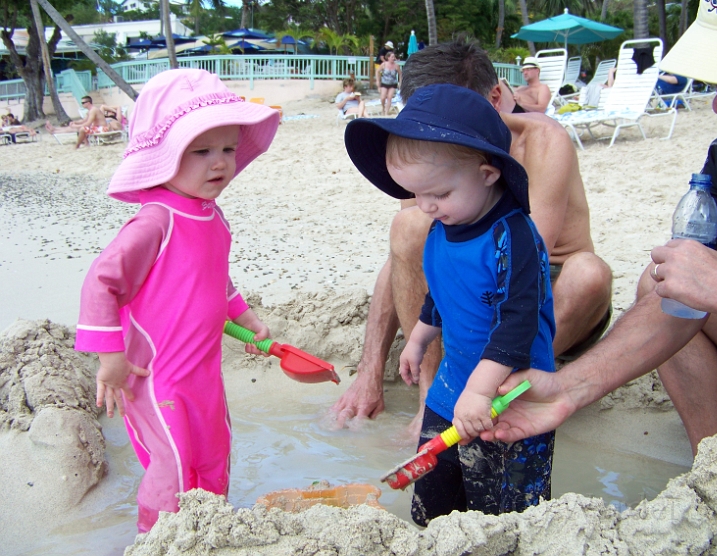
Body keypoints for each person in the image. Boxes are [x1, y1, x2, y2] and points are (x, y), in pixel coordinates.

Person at [480, 0, 717, 456]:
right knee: (667, 282)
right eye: (715, 78)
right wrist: (567, 387)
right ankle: (714, 468)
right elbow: (688, 291)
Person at [331, 38, 612, 429]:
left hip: (542, 287)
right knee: (409, 227)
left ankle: (502, 384)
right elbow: (408, 256)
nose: (433, 131)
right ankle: (431, 395)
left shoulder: (543, 140)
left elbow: (526, 263)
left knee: (589, 273)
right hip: (467, 286)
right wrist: (369, 371)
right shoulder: (424, 148)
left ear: (494, 99)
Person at [73, 69, 280, 532]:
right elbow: (101, 283)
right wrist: (111, 360)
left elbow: (215, 280)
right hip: (155, 376)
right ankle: (157, 538)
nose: (219, 163)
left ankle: (209, 529)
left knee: (213, 453)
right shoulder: (155, 221)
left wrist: (247, 318)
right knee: (172, 466)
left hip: (203, 373)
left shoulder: (213, 216)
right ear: (163, 155)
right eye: (201, 151)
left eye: (228, 149)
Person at [345, 83, 556, 525]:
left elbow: (519, 322)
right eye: (415, 194)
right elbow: (442, 290)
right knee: (434, 498)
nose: (426, 206)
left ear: (488, 174)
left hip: (508, 394)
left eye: (438, 194)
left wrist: (480, 392)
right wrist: (419, 339)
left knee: (505, 515)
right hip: (451, 384)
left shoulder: (511, 236)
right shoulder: (444, 223)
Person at [45, 96, 109, 149]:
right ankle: (55, 130)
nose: (82, 104)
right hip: (96, 128)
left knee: (81, 128)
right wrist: (75, 122)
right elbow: (84, 120)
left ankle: (77, 145)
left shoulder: (93, 110)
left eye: (83, 103)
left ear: (88, 103)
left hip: (102, 129)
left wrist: (75, 126)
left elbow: (88, 124)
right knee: (77, 127)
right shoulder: (90, 110)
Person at [376, 51, 401, 115]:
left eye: (394, 57)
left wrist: (400, 83)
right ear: (388, 57)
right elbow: (377, 71)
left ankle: (386, 112)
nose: (393, 58)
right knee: (383, 97)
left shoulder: (396, 66)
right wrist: (378, 81)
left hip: (393, 83)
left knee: (389, 97)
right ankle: (383, 108)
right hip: (384, 83)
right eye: (392, 57)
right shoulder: (384, 64)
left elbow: (400, 74)